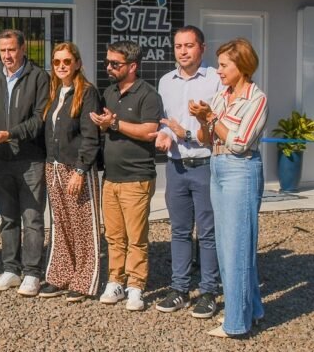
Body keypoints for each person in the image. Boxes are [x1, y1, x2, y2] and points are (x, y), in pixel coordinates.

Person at [189, 38, 268, 338]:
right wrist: (203, 120)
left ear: (242, 66)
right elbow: (205, 139)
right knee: (226, 245)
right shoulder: (222, 95)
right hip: (218, 166)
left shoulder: (257, 99)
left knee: (237, 247)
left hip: (240, 170)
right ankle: (253, 310)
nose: (219, 70)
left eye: (224, 65)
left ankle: (236, 323)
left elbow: (239, 143)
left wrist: (212, 117)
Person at [152, 26, 223, 319]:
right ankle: (179, 289)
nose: (183, 51)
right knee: (179, 231)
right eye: (178, 46)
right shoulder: (165, 81)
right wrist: (165, 134)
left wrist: (187, 133)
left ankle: (208, 292)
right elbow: (166, 122)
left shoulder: (216, 80)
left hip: (205, 164)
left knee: (208, 232)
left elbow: (219, 124)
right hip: (176, 166)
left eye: (189, 45)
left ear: (202, 48)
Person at [90, 41, 162, 311]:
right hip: (111, 177)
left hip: (137, 177)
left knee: (136, 237)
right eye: (107, 62)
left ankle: (136, 286)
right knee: (114, 236)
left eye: (114, 64)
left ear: (132, 66)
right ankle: (115, 281)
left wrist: (115, 123)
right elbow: (107, 128)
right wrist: (102, 125)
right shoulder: (109, 92)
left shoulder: (148, 95)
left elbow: (150, 131)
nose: (108, 67)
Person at [0, 29, 50, 297]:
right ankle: (11, 269)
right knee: (8, 218)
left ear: (23, 49)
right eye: (2, 50)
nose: (7, 55)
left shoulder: (39, 77)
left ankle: (32, 272)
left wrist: (11, 134)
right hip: (0, 159)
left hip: (30, 159)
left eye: (11, 49)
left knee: (32, 218)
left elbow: (39, 119)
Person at [38, 42, 102, 303]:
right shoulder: (55, 92)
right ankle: (60, 276)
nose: (61, 66)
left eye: (66, 61)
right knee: (61, 225)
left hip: (76, 169)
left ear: (77, 63)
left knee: (83, 226)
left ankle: (84, 280)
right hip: (53, 167)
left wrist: (80, 170)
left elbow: (91, 136)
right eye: (57, 62)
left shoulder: (87, 92)